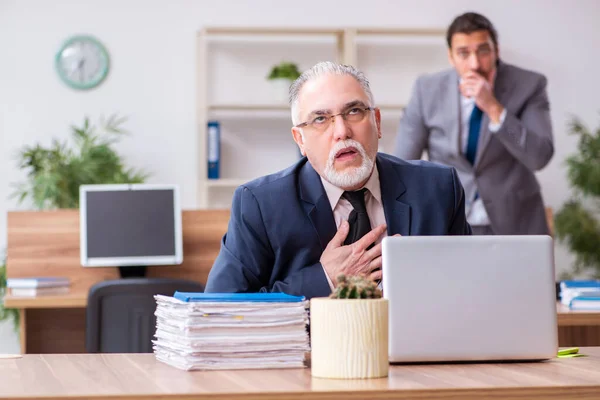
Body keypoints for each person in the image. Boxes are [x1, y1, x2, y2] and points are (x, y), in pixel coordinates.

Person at [205, 61, 471, 299]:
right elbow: (221, 309)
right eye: (320, 119)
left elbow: (470, 289)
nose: (342, 132)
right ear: (300, 140)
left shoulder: (438, 188)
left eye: (354, 111)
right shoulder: (259, 205)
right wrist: (324, 278)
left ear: (377, 122)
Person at [394, 12, 554, 235]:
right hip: (448, 219)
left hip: (516, 221)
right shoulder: (426, 90)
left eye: (483, 50)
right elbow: (402, 165)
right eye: (463, 53)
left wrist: (492, 107)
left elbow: (539, 157)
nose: (475, 63)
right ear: (450, 56)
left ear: (496, 50)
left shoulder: (530, 84)